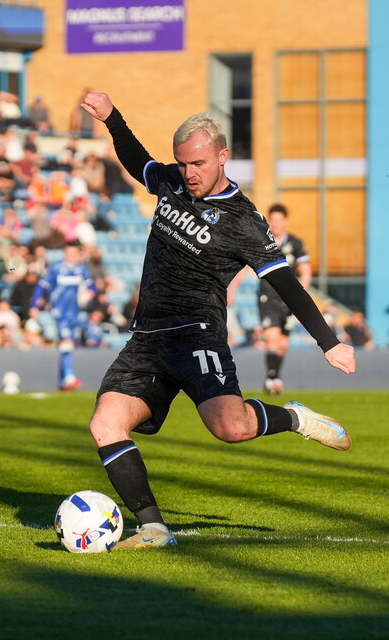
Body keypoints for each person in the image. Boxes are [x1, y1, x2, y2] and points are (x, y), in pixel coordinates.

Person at [78, 91, 355, 549]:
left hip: (196, 334)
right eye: (183, 164)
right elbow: (138, 162)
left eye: (199, 164)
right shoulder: (172, 182)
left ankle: (294, 418)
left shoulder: (244, 221)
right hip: (147, 337)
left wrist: (329, 342)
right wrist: (112, 118)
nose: (189, 174)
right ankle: (153, 528)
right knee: (105, 425)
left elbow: (285, 283)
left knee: (232, 429)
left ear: (223, 157)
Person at [252, 204, 312, 395]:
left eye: (279, 220)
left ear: (285, 221)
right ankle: (272, 378)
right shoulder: (261, 241)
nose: (276, 224)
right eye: (273, 220)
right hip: (267, 296)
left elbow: (306, 272)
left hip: (288, 298)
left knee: (283, 343)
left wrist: (299, 297)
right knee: (272, 338)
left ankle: (275, 375)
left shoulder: (295, 243)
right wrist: (233, 289)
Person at [29, 241, 96, 391]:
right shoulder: (55, 268)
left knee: (67, 345)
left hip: (75, 313)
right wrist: (34, 305)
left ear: (78, 254)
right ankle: (69, 377)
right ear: (64, 253)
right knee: (66, 343)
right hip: (59, 312)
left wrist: (90, 293)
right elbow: (41, 286)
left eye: (74, 253)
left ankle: (62, 382)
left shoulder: (82, 270)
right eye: (69, 253)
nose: (71, 256)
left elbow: (92, 287)